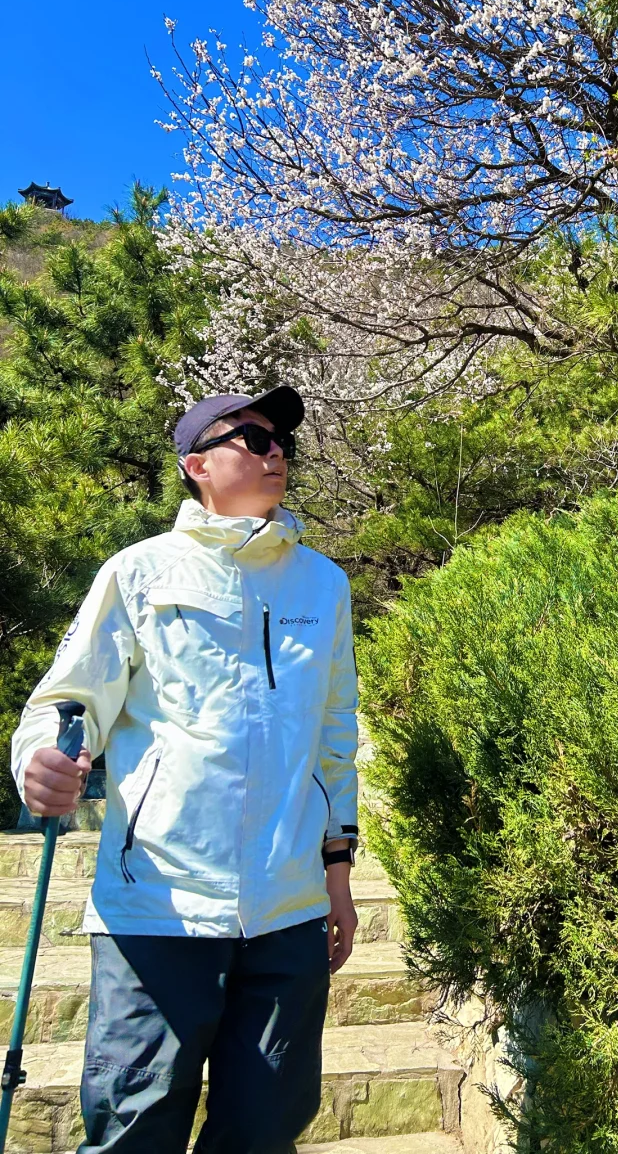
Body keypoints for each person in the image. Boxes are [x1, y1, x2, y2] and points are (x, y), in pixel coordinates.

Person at [11, 386, 359, 1154]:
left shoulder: (323, 584)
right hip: (156, 911)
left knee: (263, 1134)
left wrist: (337, 875)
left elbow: (335, 738)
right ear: (197, 465)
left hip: (289, 914)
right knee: (135, 1132)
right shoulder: (137, 573)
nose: (276, 451)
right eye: (254, 439)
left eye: (282, 441)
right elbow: (66, 703)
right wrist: (39, 763)